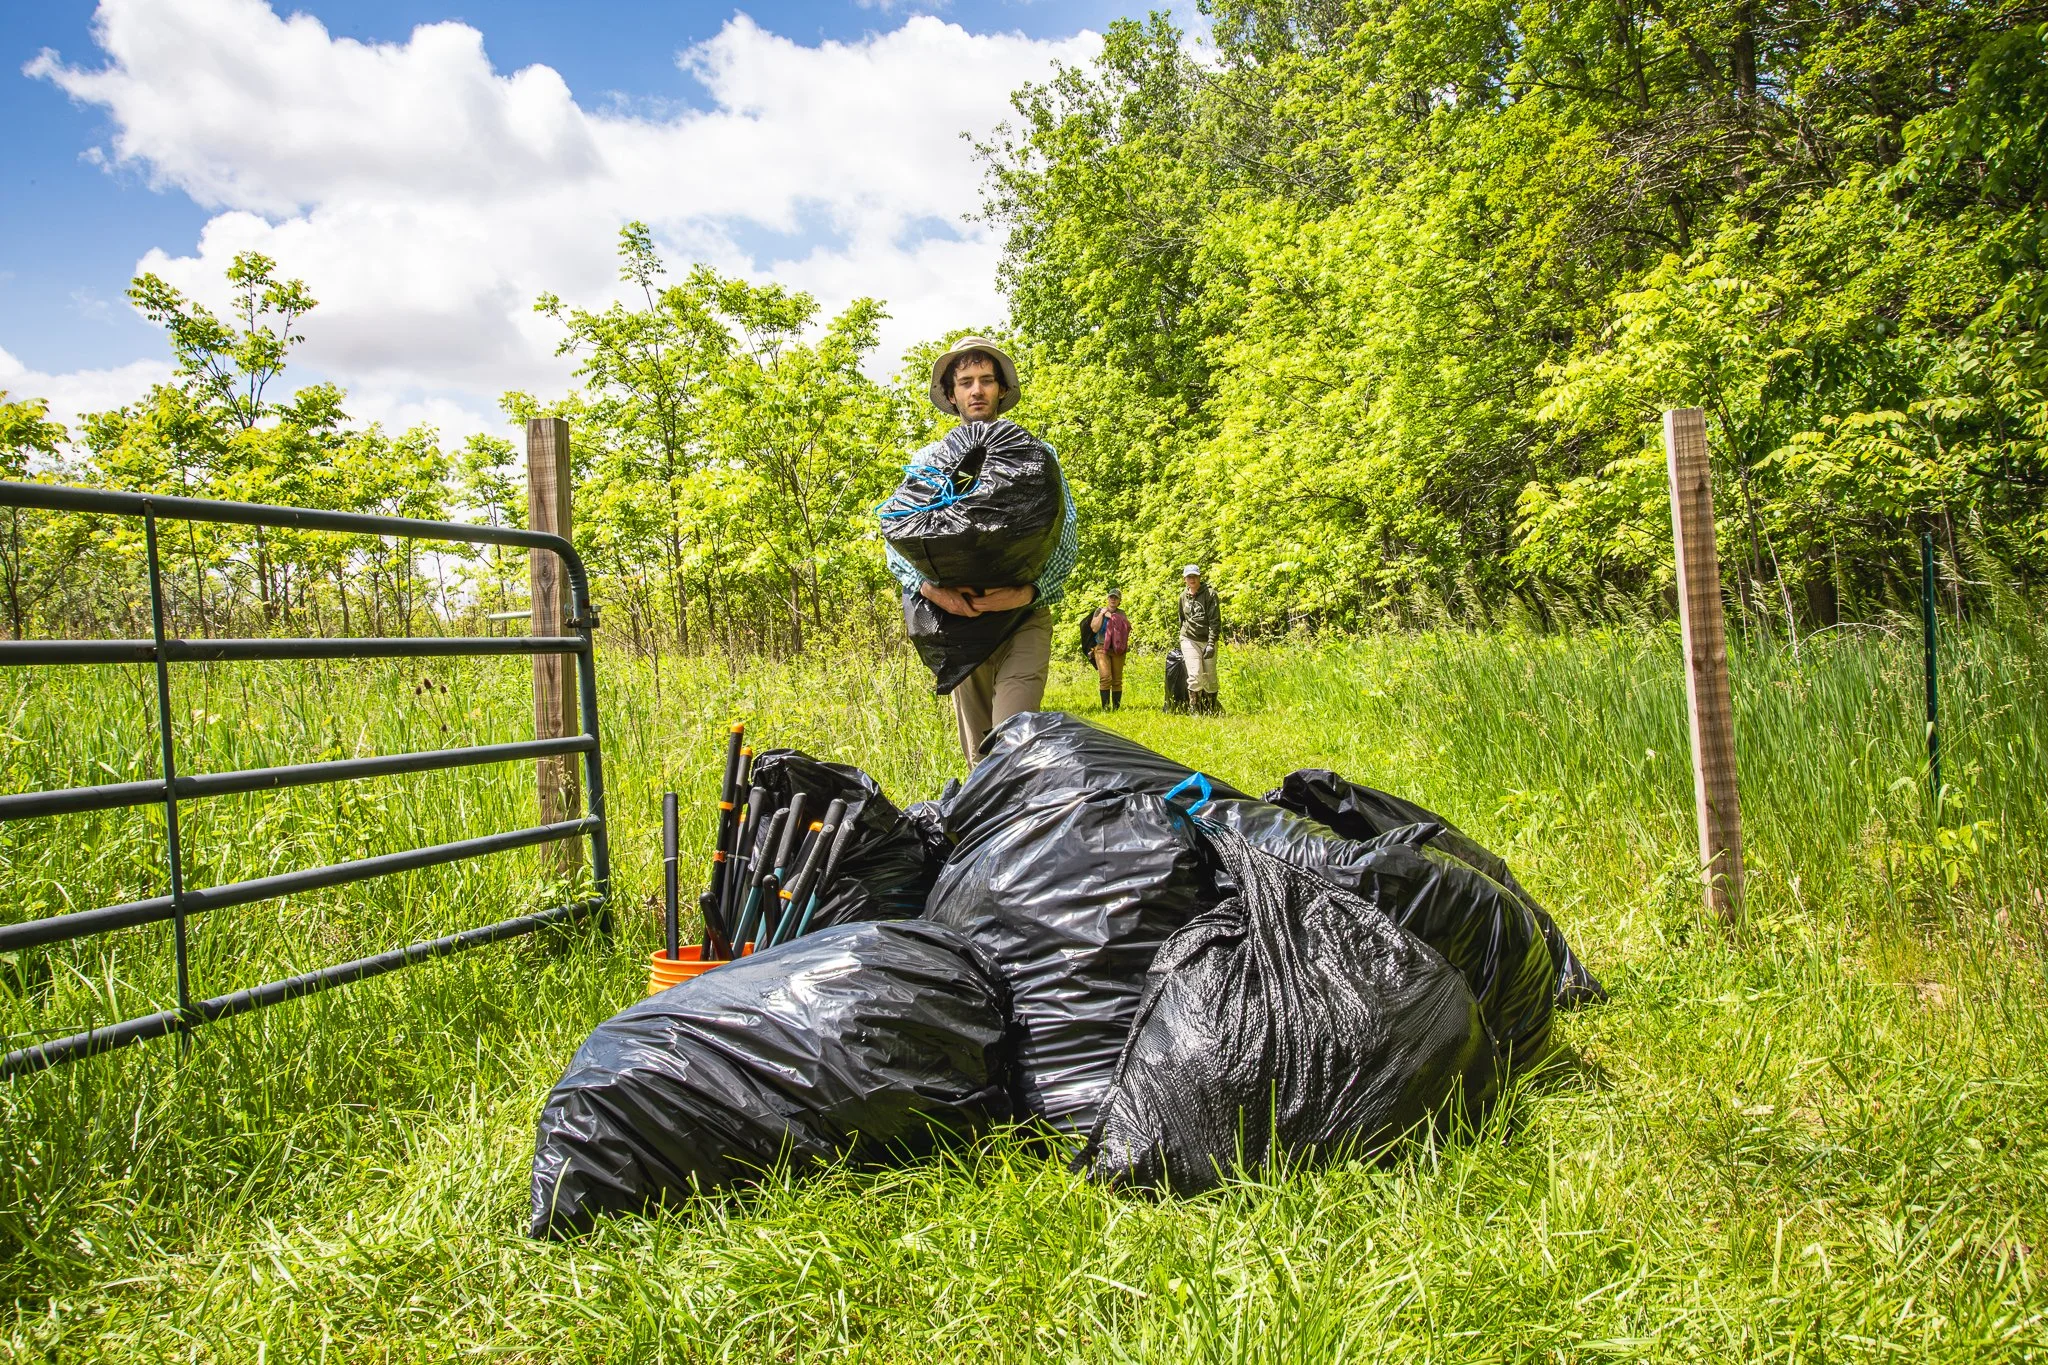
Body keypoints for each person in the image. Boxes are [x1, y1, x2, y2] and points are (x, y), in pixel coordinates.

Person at [885, 337, 1078, 764]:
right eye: (966, 382)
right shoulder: (930, 460)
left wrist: (1027, 594)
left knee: (1016, 741)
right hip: (957, 627)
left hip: (1023, 617)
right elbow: (898, 540)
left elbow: (1066, 538)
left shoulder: (1036, 456)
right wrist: (935, 593)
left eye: (986, 381)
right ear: (951, 395)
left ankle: (1027, 823)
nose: (977, 390)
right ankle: (989, 829)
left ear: (1001, 390)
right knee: (978, 756)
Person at [1178, 565, 1222, 715]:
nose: (1192, 579)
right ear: (1184, 579)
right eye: (1189, 577)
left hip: (1208, 638)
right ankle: (1194, 710)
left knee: (1210, 677)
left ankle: (1211, 708)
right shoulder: (1183, 596)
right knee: (1195, 675)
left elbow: (1215, 621)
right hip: (1189, 638)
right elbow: (1182, 618)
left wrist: (1211, 643)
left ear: (1199, 577)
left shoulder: (1210, 594)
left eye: (1195, 576)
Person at [1088, 590, 1131, 710]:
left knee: (1117, 680)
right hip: (1101, 647)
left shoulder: (1121, 613)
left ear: (1119, 601)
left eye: (1116, 598)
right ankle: (1105, 708)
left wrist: (1112, 617)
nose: (1113, 600)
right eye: (1111, 597)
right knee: (1105, 677)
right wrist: (1102, 615)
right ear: (1107, 599)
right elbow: (1094, 628)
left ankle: (1116, 708)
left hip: (1118, 649)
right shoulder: (1099, 611)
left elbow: (1124, 627)